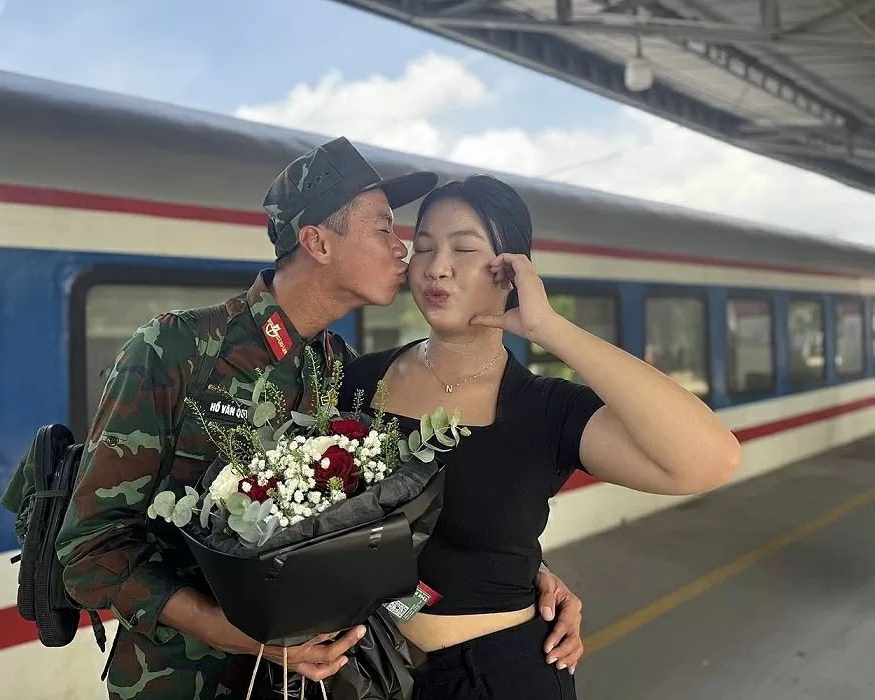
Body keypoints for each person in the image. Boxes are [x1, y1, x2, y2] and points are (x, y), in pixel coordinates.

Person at [55, 139, 588, 700]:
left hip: (309, 685)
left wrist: (528, 579)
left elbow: (382, 523)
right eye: (384, 228)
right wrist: (234, 632)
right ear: (318, 242)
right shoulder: (178, 350)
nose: (404, 250)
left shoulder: (344, 372)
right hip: (179, 682)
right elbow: (88, 550)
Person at [338, 174, 742, 700]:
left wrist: (549, 327)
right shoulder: (360, 380)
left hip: (496, 679)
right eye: (425, 247)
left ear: (510, 270)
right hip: (368, 671)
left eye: (464, 248)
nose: (437, 266)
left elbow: (709, 461)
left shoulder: (545, 409)